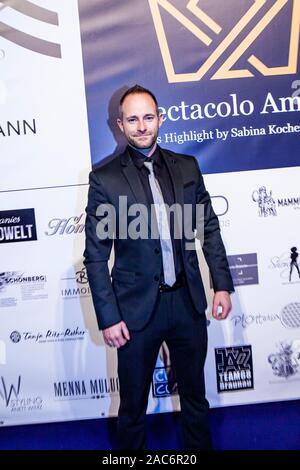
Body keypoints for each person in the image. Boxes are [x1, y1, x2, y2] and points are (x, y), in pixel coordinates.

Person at [84, 85, 234, 450]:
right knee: (133, 408)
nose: (141, 126)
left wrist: (222, 285)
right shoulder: (105, 179)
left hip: (186, 303)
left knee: (196, 401)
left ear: (160, 119)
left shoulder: (188, 167)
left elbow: (208, 227)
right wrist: (108, 316)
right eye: (132, 119)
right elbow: (95, 254)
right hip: (136, 312)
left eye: (148, 117)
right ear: (120, 125)